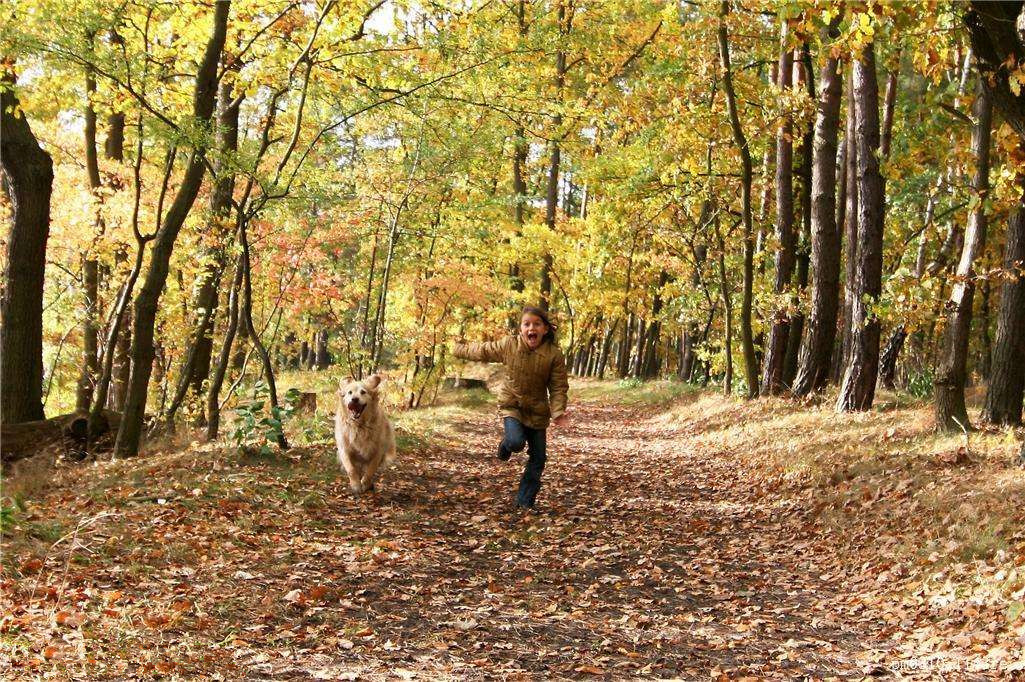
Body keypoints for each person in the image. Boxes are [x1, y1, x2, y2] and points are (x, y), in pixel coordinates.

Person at [452, 306, 570, 511]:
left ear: (545, 330)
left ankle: (525, 501)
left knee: (538, 458)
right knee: (516, 442)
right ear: (520, 329)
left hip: (537, 412)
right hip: (512, 405)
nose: (531, 328)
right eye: (527, 324)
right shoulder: (509, 345)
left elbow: (558, 387)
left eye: (537, 324)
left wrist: (558, 411)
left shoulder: (554, 355)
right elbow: (483, 350)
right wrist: (458, 349)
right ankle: (506, 445)